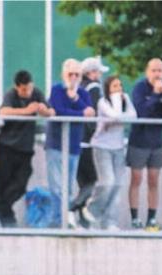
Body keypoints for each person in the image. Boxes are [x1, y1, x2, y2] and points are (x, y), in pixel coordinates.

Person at [0, 69, 51, 227]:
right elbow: (3, 111)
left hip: (25, 148)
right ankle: (7, 218)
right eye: (24, 89)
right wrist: (26, 111)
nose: (27, 92)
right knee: (3, 185)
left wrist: (44, 110)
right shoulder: (11, 94)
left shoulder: (36, 93)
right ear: (17, 87)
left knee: (21, 184)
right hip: (6, 147)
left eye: (29, 88)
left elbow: (50, 111)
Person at [127, 58, 162, 232]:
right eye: (154, 70)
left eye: (160, 70)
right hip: (139, 140)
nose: (157, 74)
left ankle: (151, 218)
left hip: (157, 140)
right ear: (147, 72)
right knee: (136, 178)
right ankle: (134, 218)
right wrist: (155, 95)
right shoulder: (140, 88)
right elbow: (142, 111)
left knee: (154, 180)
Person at [46, 59, 94, 227]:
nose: (73, 78)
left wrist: (75, 99)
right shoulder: (57, 89)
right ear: (63, 74)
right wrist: (79, 111)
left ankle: (65, 219)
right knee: (57, 186)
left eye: (77, 74)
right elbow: (59, 111)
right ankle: (57, 220)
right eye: (70, 74)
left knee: (68, 186)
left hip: (74, 144)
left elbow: (90, 112)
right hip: (56, 143)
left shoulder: (83, 93)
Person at [83, 75, 136, 230]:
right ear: (107, 89)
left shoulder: (125, 100)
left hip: (118, 147)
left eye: (120, 86)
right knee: (108, 181)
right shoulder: (102, 102)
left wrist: (119, 116)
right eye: (114, 86)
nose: (118, 90)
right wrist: (118, 113)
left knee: (118, 184)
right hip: (102, 146)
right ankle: (91, 211)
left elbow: (133, 116)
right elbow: (114, 114)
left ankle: (109, 221)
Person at [68, 56, 107, 222]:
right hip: (88, 142)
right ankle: (72, 207)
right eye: (98, 71)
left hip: (74, 140)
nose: (99, 75)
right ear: (91, 73)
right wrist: (97, 134)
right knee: (95, 180)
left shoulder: (77, 88)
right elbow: (94, 115)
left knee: (84, 181)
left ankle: (83, 220)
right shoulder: (94, 89)